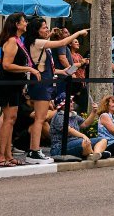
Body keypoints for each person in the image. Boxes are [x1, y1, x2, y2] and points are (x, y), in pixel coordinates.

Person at [24, 17, 88, 164]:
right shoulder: (37, 42)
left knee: (41, 118)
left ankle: (34, 150)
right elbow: (62, 42)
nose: (47, 30)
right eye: (44, 27)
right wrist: (78, 33)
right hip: (41, 85)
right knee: (40, 118)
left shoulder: (39, 42)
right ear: (36, 30)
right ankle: (34, 151)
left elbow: (48, 67)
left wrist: (63, 71)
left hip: (46, 82)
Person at [0, 12, 36, 167]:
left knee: (12, 119)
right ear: (17, 25)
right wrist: (29, 69)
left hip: (16, 83)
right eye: (24, 21)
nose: (26, 23)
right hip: (8, 82)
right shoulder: (12, 41)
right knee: (8, 119)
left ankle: (8, 154)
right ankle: (0, 156)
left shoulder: (18, 40)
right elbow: (6, 65)